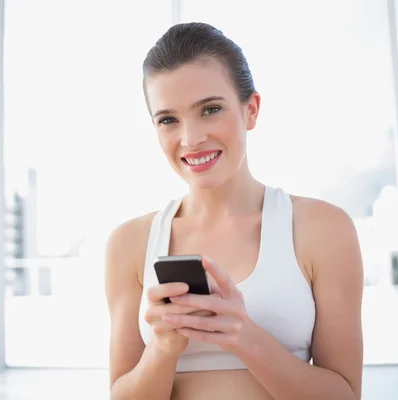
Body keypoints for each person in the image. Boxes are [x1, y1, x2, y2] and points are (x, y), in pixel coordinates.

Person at [105, 22, 363, 400]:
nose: (191, 139)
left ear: (251, 110)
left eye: (210, 109)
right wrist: (162, 350)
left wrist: (244, 336)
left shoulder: (322, 229)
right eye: (169, 120)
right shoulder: (129, 243)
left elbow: (345, 395)